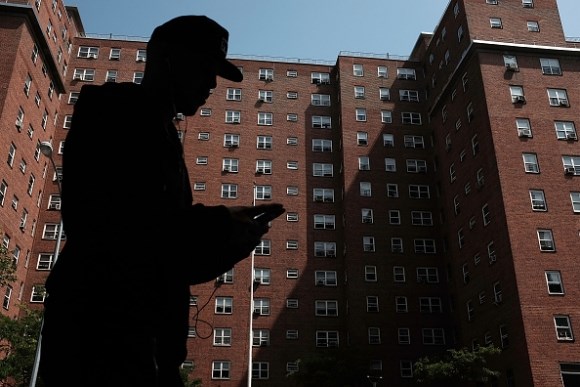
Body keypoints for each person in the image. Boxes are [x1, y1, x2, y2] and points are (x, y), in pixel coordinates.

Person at [39, 16, 285, 387]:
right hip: (104, 345)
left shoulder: (156, 126)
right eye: (205, 68)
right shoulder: (115, 113)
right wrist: (223, 231)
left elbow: (155, 222)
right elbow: (126, 236)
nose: (212, 84)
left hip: (142, 347)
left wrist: (228, 219)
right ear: (168, 58)